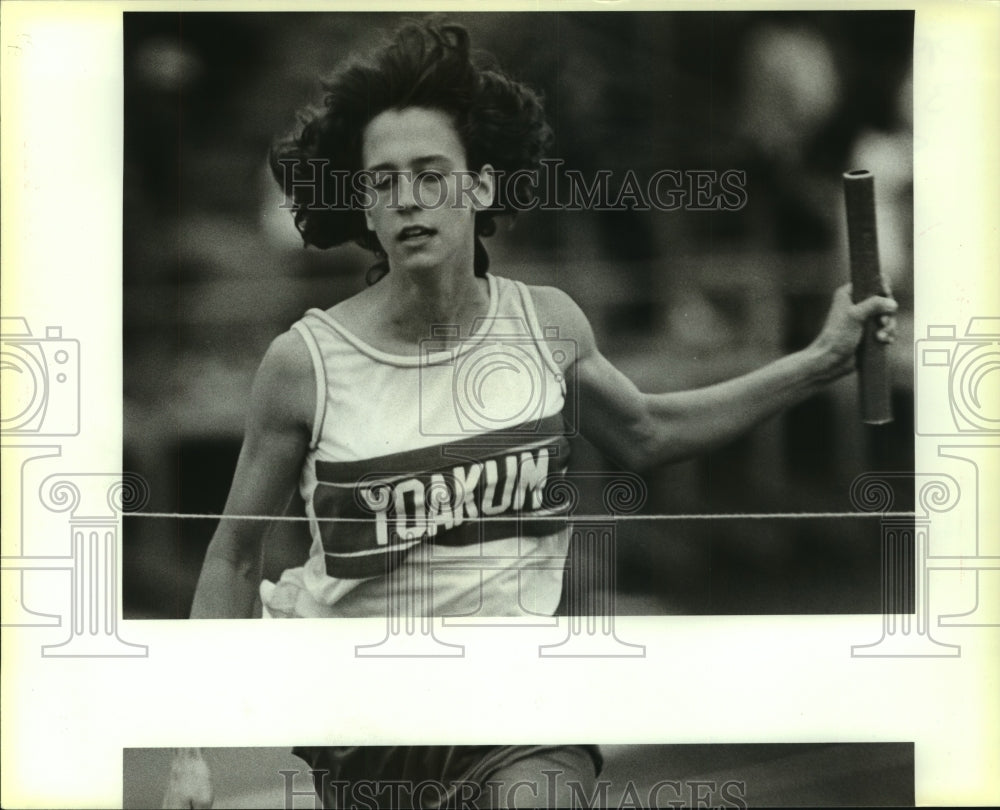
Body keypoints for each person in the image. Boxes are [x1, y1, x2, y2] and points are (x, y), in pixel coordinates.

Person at [169, 18, 897, 810]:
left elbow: (650, 431)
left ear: (480, 188)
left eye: (430, 173)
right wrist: (189, 748)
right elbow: (233, 557)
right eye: (383, 182)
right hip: (365, 733)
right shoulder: (303, 366)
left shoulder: (547, 327)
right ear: (366, 207)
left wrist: (822, 359)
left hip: (519, 711)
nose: (408, 198)